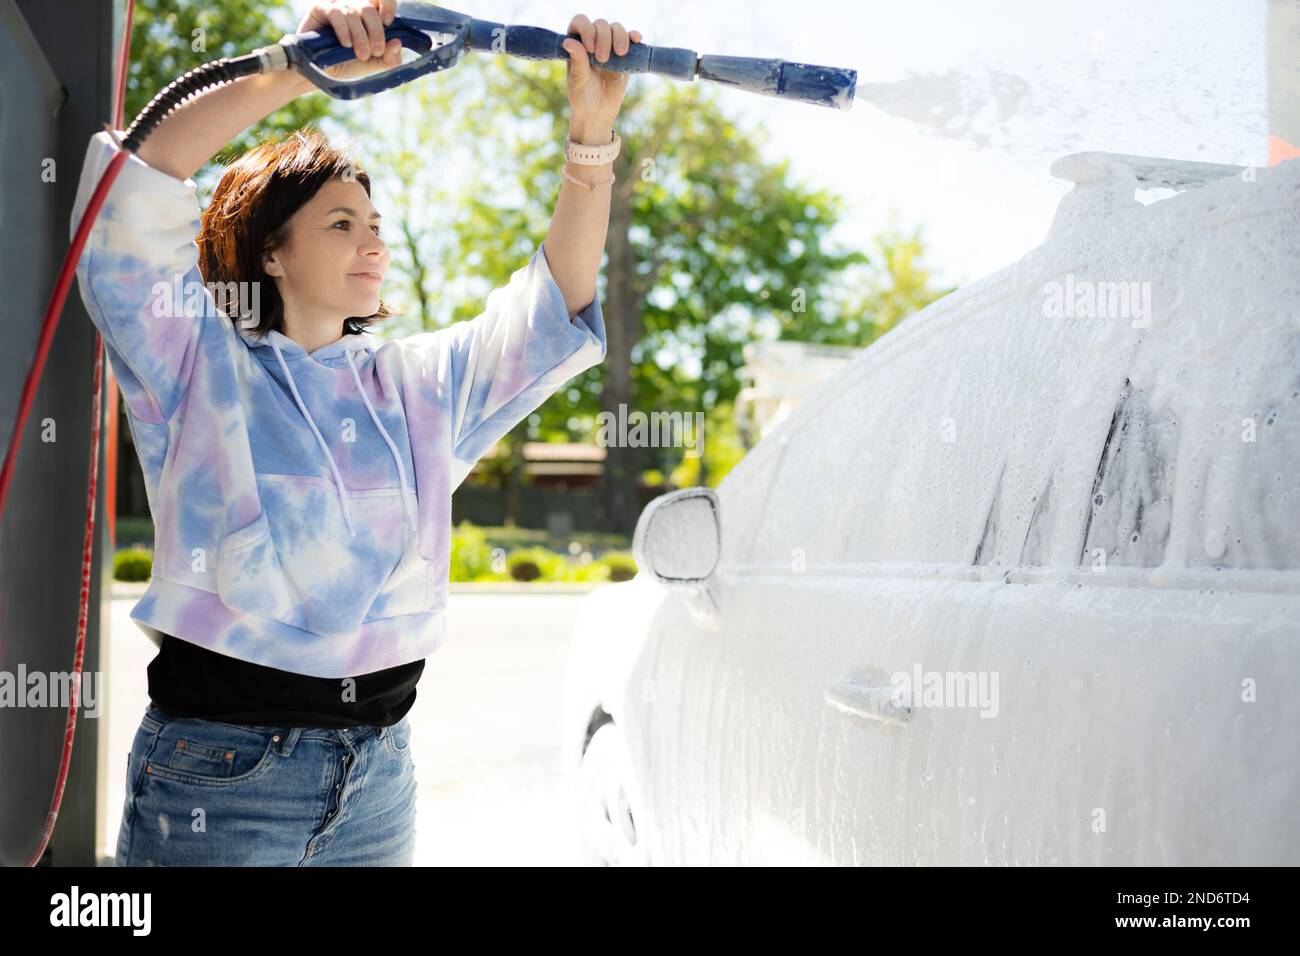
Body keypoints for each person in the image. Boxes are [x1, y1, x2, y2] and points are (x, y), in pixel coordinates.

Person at [72, 0, 640, 866]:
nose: (373, 242)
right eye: (341, 224)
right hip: (220, 777)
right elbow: (139, 190)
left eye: (374, 224)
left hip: (377, 778)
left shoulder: (417, 386)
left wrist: (591, 139)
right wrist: (301, 67)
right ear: (270, 251)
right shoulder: (196, 358)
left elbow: (553, 307)